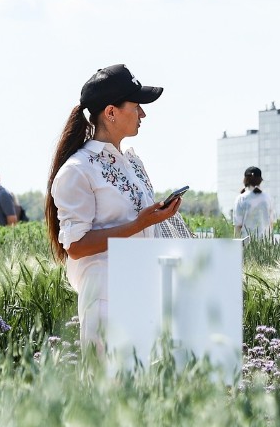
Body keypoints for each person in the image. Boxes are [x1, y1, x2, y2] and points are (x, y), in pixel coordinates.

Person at [45, 64, 189, 350]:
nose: (143, 114)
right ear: (110, 112)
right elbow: (75, 245)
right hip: (107, 302)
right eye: (136, 106)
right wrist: (140, 224)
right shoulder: (77, 170)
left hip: (144, 295)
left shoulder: (133, 162)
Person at [233, 166, 273, 239]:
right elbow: (271, 223)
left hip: (246, 243)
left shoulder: (241, 198)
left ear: (245, 179)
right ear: (260, 180)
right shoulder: (267, 198)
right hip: (265, 243)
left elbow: (238, 225)